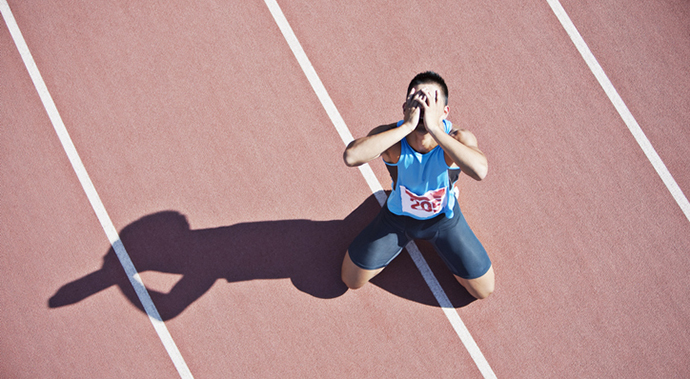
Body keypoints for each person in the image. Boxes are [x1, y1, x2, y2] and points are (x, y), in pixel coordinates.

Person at [340, 71, 494, 300]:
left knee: (483, 290)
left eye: (430, 104)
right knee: (350, 280)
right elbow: (351, 157)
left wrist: (435, 128)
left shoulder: (457, 138)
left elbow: (480, 171)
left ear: (444, 111)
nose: (423, 110)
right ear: (406, 107)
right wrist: (406, 127)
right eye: (417, 102)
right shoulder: (392, 138)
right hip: (397, 219)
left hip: (443, 221)